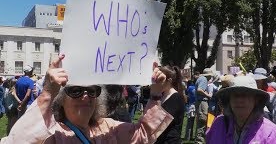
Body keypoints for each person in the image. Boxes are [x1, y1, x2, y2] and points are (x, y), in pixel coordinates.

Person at [1, 54, 173, 143]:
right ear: (61, 99)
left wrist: (156, 92)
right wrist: (48, 91)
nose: (85, 96)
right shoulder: (52, 135)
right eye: (76, 91)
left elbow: (143, 136)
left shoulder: (108, 127)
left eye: (93, 91)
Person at [206, 76, 276, 143]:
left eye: (245, 95)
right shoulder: (218, 124)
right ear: (229, 100)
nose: (239, 100)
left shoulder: (270, 132)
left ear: (256, 100)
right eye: (235, 95)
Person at [155, 65, 185, 144]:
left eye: (160, 79)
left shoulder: (176, 98)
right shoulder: (161, 96)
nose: (157, 82)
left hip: (170, 141)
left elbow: (161, 122)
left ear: (169, 80)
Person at [195, 68, 213, 144]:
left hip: (199, 102)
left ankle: (199, 140)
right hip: (202, 102)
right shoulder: (204, 79)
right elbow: (199, 90)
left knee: (200, 122)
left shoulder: (200, 78)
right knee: (202, 121)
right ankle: (199, 141)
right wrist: (208, 95)